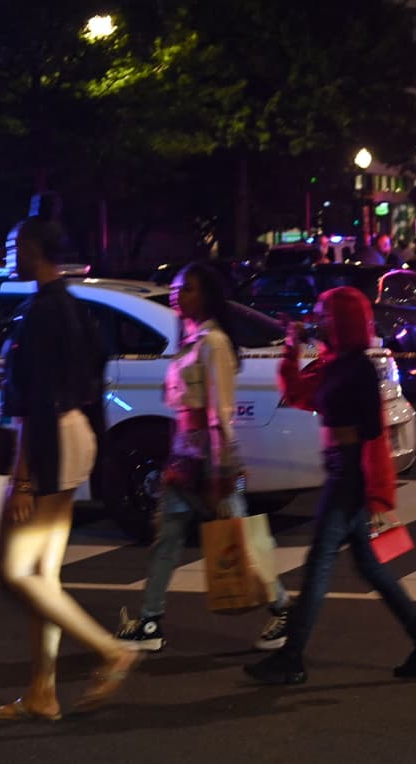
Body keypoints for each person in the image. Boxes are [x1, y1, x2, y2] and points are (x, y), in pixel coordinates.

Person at [244, 287, 416, 685]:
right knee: (369, 568)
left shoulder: (355, 368)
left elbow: (372, 432)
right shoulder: (334, 363)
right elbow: (297, 394)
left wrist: (372, 490)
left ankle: (291, 658)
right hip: (344, 473)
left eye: (324, 313)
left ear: (341, 320)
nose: (317, 318)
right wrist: (292, 348)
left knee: (319, 566)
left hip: (349, 476)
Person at [0, 216, 141, 722]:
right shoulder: (72, 306)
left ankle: (111, 650)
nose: (9, 250)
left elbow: (39, 399)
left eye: (13, 242)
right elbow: (95, 369)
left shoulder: (43, 312)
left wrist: (27, 478)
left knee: (11, 571)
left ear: (31, 248)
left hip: (48, 442)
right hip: (74, 435)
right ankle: (42, 692)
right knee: (41, 576)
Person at [114, 262, 292, 653]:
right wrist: (174, 462)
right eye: (177, 287)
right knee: (167, 540)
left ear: (207, 296)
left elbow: (219, 414)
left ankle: (282, 610)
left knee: (240, 538)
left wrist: (220, 472)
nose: (178, 293)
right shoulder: (191, 341)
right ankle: (149, 622)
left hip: (211, 462)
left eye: (188, 288)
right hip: (184, 459)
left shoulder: (214, 344)